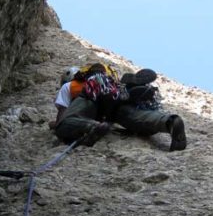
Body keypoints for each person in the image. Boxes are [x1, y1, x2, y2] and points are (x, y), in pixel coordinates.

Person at [53, 63, 187, 151]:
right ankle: (170, 122)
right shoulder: (108, 80)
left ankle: (92, 126)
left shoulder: (69, 86)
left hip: (92, 99)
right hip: (113, 102)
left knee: (63, 126)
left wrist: (56, 124)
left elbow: (62, 116)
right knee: (137, 121)